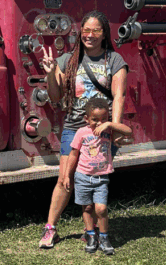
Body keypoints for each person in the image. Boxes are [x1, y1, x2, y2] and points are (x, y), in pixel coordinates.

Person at [38, 10, 128, 249]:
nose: (90, 35)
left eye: (96, 30)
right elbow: (55, 96)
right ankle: (50, 229)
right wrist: (50, 74)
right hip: (74, 127)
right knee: (65, 178)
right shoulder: (68, 60)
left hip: (102, 132)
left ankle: (92, 230)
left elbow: (119, 96)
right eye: (86, 30)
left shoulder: (114, 60)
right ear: (80, 33)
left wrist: (115, 128)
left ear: (104, 34)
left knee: (95, 178)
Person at [63, 96, 131, 255]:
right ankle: (91, 236)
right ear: (86, 118)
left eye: (103, 119)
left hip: (101, 178)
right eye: (95, 119)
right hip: (82, 176)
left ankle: (104, 237)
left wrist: (110, 124)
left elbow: (128, 131)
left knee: (101, 209)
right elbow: (73, 155)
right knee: (87, 207)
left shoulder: (109, 130)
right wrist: (67, 175)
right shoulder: (81, 132)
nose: (99, 123)